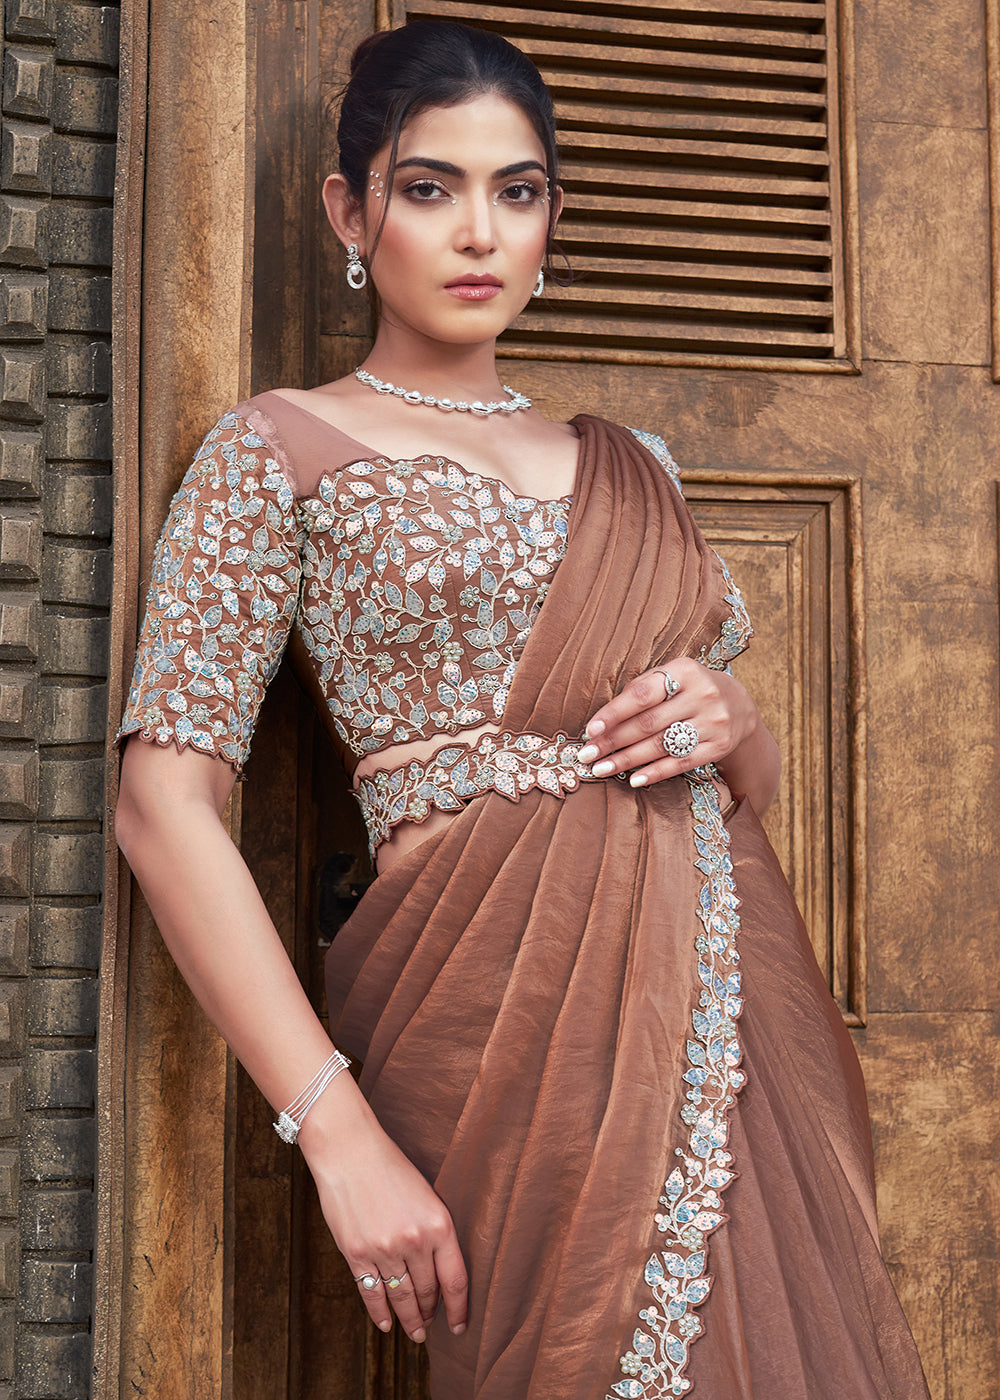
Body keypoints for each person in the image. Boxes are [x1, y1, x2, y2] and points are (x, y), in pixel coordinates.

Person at [114, 20, 930, 1400]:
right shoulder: (274, 453)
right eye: (430, 188)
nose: (479, 232)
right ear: (350, 212)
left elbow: (745, 787)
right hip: (486, 1010)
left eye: (519, 191)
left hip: (716, 994)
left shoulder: (634, 467)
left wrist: (736, 719)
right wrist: (337, 1132)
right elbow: (162, 806)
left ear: (554, 218)